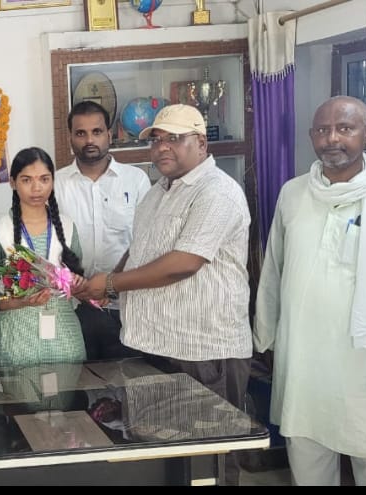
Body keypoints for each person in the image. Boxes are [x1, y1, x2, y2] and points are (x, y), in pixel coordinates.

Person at [76, 104, 251, 485]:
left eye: (174, 138)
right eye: (156, 140)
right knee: (161, 458)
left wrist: (111, 284)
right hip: (154, 348)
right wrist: (111, 281)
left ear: (201, 143)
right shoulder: (157, 192)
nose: (162, 147)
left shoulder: (217, 192)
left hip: (202, 352)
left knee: (208, 465)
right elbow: (141, 249)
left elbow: (183, 263)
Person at [254, 96, 366, 486]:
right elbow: (274, 271)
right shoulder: (293, 193)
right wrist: (267, 337)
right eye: (322, 130)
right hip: (303, 358)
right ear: (311, 136)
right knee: (307, 459)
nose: (332, 139)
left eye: (345, 128)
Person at [56, 100, 151, 362]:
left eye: (96, 131)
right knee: (78, 382)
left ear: (109, 134)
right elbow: (46, 244)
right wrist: (73, 286)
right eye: (81, 133)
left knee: (129, 380)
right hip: (73, 307)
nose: (89, 140)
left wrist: (112, 285)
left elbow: (146, 242)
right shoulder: (55, 184)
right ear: (70, 138)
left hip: (126, 308)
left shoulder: (136, 180)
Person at [0, 147, 86, 367]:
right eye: (26, 180)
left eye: (44, 179)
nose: (37, 188)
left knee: (69, 389)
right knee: (20, 389)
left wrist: (79, 283)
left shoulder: (68, 227)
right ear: (13, 182)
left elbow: (79, 281)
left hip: (65, 339)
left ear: (52, 181)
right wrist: (17, 302)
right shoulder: (0, 232)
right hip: (17, 341)